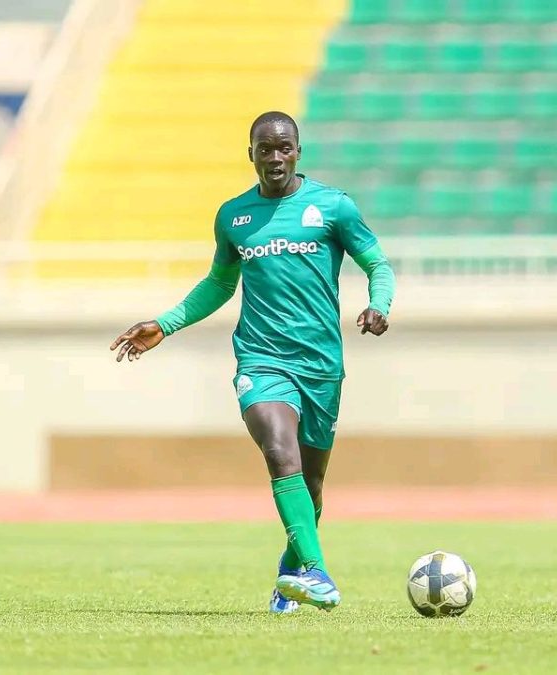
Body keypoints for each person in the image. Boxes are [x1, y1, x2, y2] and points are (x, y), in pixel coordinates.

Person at [110, 111, 396, 613]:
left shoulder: (333, 207)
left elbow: (377, 263)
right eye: (265, 149)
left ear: (299, 152)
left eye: (284, 148)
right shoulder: (233, 216)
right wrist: (166, 324)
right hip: (261, 359)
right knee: (279, 451)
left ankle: (291, 570)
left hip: (321, 366)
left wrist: (379, 304)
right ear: (251, 155)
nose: (275, 157)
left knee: (312, 488)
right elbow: (220, 284)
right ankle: (317, 573)